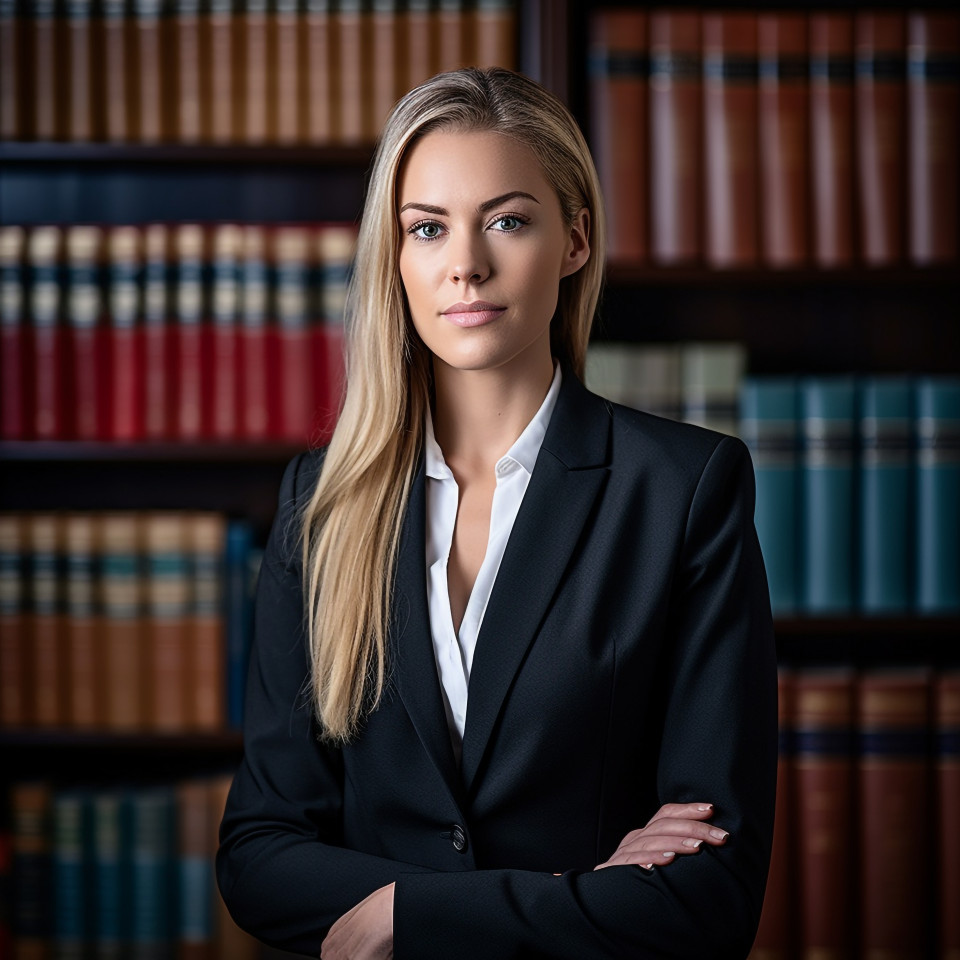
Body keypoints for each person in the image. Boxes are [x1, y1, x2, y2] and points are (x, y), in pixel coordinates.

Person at [217, 66, 778, 960]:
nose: (465, 263)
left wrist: (416, 915)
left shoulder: (684, 489)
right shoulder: (322, 506)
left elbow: (712, 891)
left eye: (508, 221)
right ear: (395, 259)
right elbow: (258, 856)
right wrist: (570, 897)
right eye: (427, 228)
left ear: (574, 241)